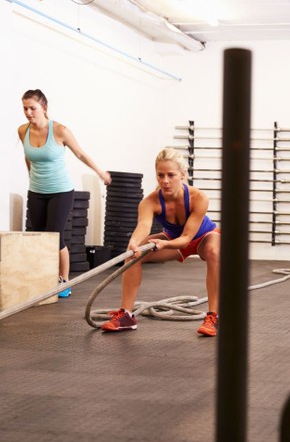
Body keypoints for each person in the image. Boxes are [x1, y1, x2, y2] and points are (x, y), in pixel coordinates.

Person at [101, 147, 221, 336]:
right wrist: (133, 243)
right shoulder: (150, 202)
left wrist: (164, 244)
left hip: (203, 238)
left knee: (215, 252)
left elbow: (187, 238)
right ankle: (126, 315)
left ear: (182, 174)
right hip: (174, 240)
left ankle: (214, 316)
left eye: (171, 175)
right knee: (134, 254)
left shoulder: (199, 198)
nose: (165, 181)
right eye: (160, 175)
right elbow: (143, 226)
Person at [19, 89, 111, 298]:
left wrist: (99, 171)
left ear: (44, 108)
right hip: (36, 190)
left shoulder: (60, 130)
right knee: (39, 236)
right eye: (25, 108)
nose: (28, 112)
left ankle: (63, 281)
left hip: (61, 191)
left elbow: (80, 153)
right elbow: (28, 156)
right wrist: (31, 176)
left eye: (32, 108)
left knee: (55, 236)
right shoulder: (22, 131)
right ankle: (42, 278)